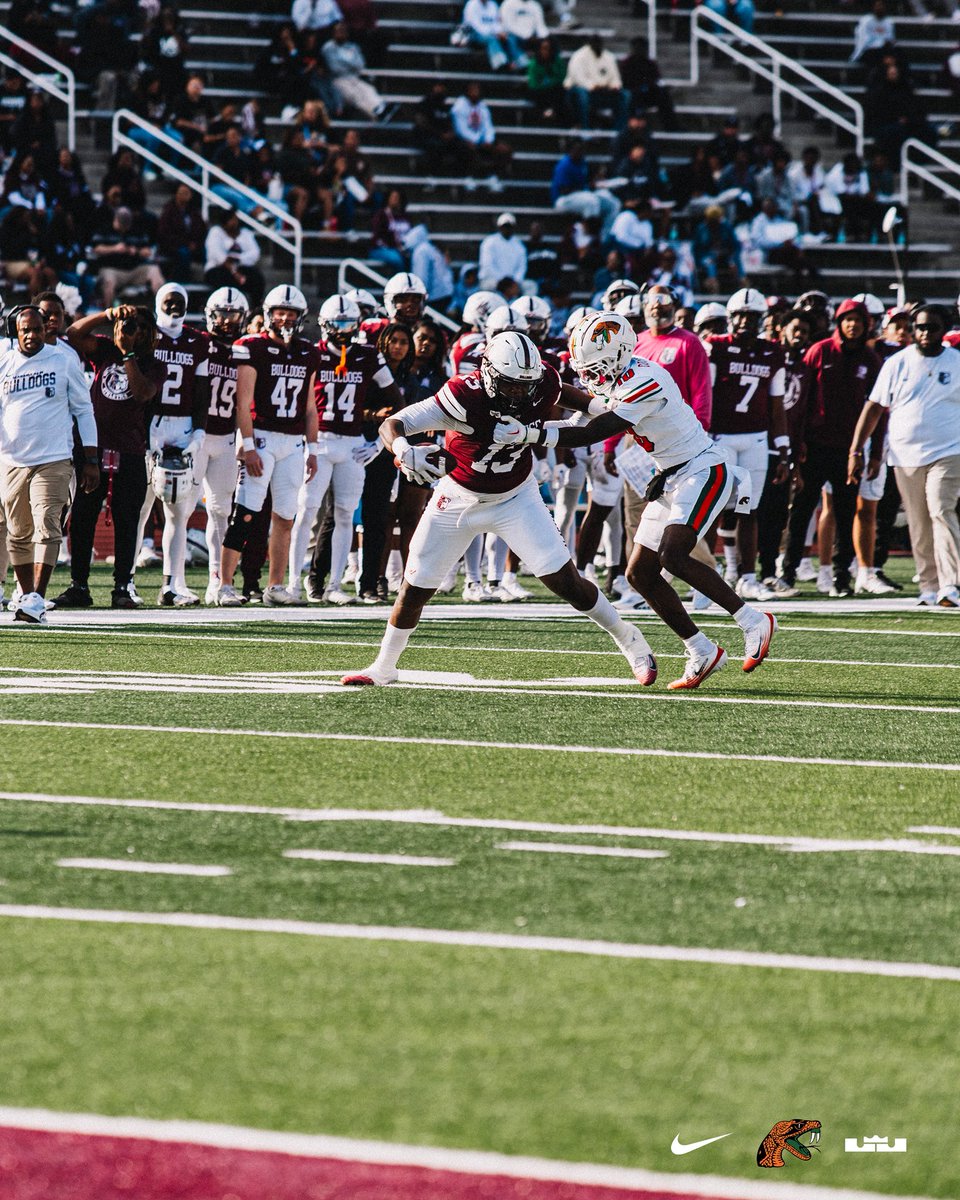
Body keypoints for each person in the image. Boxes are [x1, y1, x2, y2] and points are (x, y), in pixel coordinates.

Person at [341, 330, 659, 687]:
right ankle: (385, 665)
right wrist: (403, 450)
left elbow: (582, 402)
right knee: (415, 588)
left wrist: (611, 411)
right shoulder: (463, 395)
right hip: (458, 496)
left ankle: (629, 638)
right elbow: (393, 423)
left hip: (515, 496)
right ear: (488, 373)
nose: (520, 393)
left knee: (566, 582)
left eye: (526, 385)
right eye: (510, 385)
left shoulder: (540, 383)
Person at [491, 311, 777, 689]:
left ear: (617, 353)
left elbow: (593, 431)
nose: (590, 376)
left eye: (594, 367)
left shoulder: (645, 380)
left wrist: (529, 434)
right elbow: (581, 424)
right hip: (673, 473)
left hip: (704, 468)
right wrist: (533, 429)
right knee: (639, 572)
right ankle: (701, 648)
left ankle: (753, 620)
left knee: (673, 555)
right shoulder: (621, 376)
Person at [287, 294, 400, 603]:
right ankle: (293, 584)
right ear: (324, 325)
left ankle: (335, 585)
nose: (342, 329)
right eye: (336, 323)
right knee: (306, 511)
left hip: (351, 444)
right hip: (319, 441)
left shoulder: (368, 355)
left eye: (348, 323)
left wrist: (378, 443)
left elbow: (396, 401)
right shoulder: (313, 354)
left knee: (346, 515)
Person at [849, 305, 960, 608]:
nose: (925, 333)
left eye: (932, 327)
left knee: (941, 510)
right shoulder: (897, 363)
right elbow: (873, 406)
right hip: (904, 454)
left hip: (950, 451)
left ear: (945, 330)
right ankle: (929, 585)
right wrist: (856, 449)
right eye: (920, 327)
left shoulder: (957, 362)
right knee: (918, 521)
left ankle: (951, 584)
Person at [217, 285, 320, 606]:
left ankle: (275, 586)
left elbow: (310, 407)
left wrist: (312, 449)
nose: (284, 318)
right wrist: (247, 446)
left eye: (290, 313)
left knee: (286, 516)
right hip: (261, 437)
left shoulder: (307, 351)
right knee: (245, 513)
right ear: (268, 313)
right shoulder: (252, 346)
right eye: (279, 312)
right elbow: (242, 402)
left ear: (300, 317)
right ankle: (224, 585)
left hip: (292, 442)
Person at [58, 306, 164, 609]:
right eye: (132, 325)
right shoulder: (105, 350)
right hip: (93, 448)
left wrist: (128, 354)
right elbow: (75, 333)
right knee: (82, 517)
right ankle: (78, 585)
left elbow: (142, 393)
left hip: (130, 450)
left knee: (127, 520)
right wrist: (108, 314)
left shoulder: (153, 364)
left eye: (143, 327)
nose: (137, 331)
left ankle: (122, 586)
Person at [0, 305, 98, 625]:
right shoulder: (5, 361)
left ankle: (37, 598)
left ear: (46, 329)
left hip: (53, 458)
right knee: (18, 532)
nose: (31, 335)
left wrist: (91, 459)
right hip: (12, 459)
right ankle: (27, 594)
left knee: (47, 523)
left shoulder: (63, 360)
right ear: (16, 332)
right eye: (24, 329)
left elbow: (84, 411)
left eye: (36, 329)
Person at [777, 298, 881, 598]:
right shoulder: (820, 351)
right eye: (847, 320)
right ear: (839, 322)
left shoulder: (871, 360)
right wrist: (797, 448)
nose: (853, 325)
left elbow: (880, 410)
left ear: (866, 325)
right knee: (800, 513)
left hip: (850, 451)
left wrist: (872, 453)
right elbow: (801, 404)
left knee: (846, 513)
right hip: (815, 446)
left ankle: (840, 578)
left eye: (858, 321)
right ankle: (788, 573)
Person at [705, 288, 789, 599]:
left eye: (751, 316)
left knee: (748, 509)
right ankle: (711, 573)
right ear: (729, 318)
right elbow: (705, 396)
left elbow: (777, 405)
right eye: (739, 316)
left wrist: (783, 450)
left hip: (755, 439)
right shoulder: (716, 348)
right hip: (720, 438)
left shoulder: (772, 352)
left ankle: (747, 577)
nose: (744, 322)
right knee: (713, 508)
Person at [132, 283, 211, 606]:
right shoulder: (147, 334)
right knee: (140, 509)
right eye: (168, 301)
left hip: (182, 427)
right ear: (157, 302)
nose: (174, 306)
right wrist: (144, 430)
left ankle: (171, 585)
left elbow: (203, 390)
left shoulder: (198, 341)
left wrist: (199, 431)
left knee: (178, 511)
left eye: (179, 302)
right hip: (152, 424)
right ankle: (128, 582)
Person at [198, 287, 247, 604]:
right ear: (209, 315)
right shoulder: (200, 345)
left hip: (229, 438)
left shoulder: (246, 350)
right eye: (221, 314)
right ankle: (167, 582)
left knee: (220, 510)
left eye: (233, 315)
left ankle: (217, 581)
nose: (227, 321)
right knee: (181, 506)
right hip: (198, 435)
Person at [321, 21, 392, 121]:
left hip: (354, 77)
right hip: (337, 80)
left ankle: (382, 107)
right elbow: (335, 68)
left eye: (343, 30)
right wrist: (350, 62)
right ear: (333, 33)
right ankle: (375, 113)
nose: (341, 33)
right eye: (338, 30)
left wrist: (343, 62)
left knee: (368, 89)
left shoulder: (353, 47)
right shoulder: (328, 48)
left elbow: (360, 65)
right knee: (354, 95)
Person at [451, 81, 513, 192]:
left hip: (482, 140)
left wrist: (488, 140)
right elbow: (460, 129)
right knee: (467, 148)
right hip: (465, 140)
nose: (476, 93)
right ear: (467, 92)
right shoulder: (459, 106)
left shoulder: (482, 106)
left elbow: (488, 125)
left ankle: (492, 176)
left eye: (477, 90)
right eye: (473, 90)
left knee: (504, 149)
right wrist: (476, 140)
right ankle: (469, 177)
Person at [564, 35, 630, 132]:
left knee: (625, 95)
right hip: (580, 92)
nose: (597, 46)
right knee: (582, 94)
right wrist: (592, 86)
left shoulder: (609, 56)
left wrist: (615, 86)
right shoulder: (579, 56)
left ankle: (618, 130)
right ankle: (585, 128)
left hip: (602, 92)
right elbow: (578, 78)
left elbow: (615, 78)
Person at [204, 209, 265, 308]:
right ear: (224, 222)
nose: (234, 222)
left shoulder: (246, 233)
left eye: (236, 220)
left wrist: (237, 258)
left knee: (257, 278)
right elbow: (216, 254)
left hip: (241, 267)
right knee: (225, 280)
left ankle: (255, 311)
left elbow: (255, 253)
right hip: (218, 269)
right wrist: (234, 272)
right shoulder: (216, 232)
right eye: (231, 220)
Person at [461, 0, 526, 72]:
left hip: (492, 34)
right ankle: (500, 63)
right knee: (492, 39)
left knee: (509, 38)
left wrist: (500, 32)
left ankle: (521, 62)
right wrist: (494, 33)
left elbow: (496, 23)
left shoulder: (493, 4)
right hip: (474, 35)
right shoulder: (471, 5)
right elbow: (475, 25)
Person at [479, 212, 528, 291]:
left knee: (531, 286)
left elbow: (522, 267)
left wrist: (515, 281)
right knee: (487, 286)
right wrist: (502, 281)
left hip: (513, 282)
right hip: (494, 281)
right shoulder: (489, 242)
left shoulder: (519, 245)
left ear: (513, 227)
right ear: (499, 227)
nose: (507, 229)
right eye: (504, 226)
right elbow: (487, 265)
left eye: (509, 226)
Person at [526, 37, 566, 124]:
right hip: (540, 93)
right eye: (543, 49)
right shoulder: (534, 63)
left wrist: (549, 83)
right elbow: (533, 84)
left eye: (547, 49)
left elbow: (562, 77)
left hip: (554, 91)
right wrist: (548, 84)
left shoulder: (557, 61)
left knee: (560, 92)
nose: (545, 52)